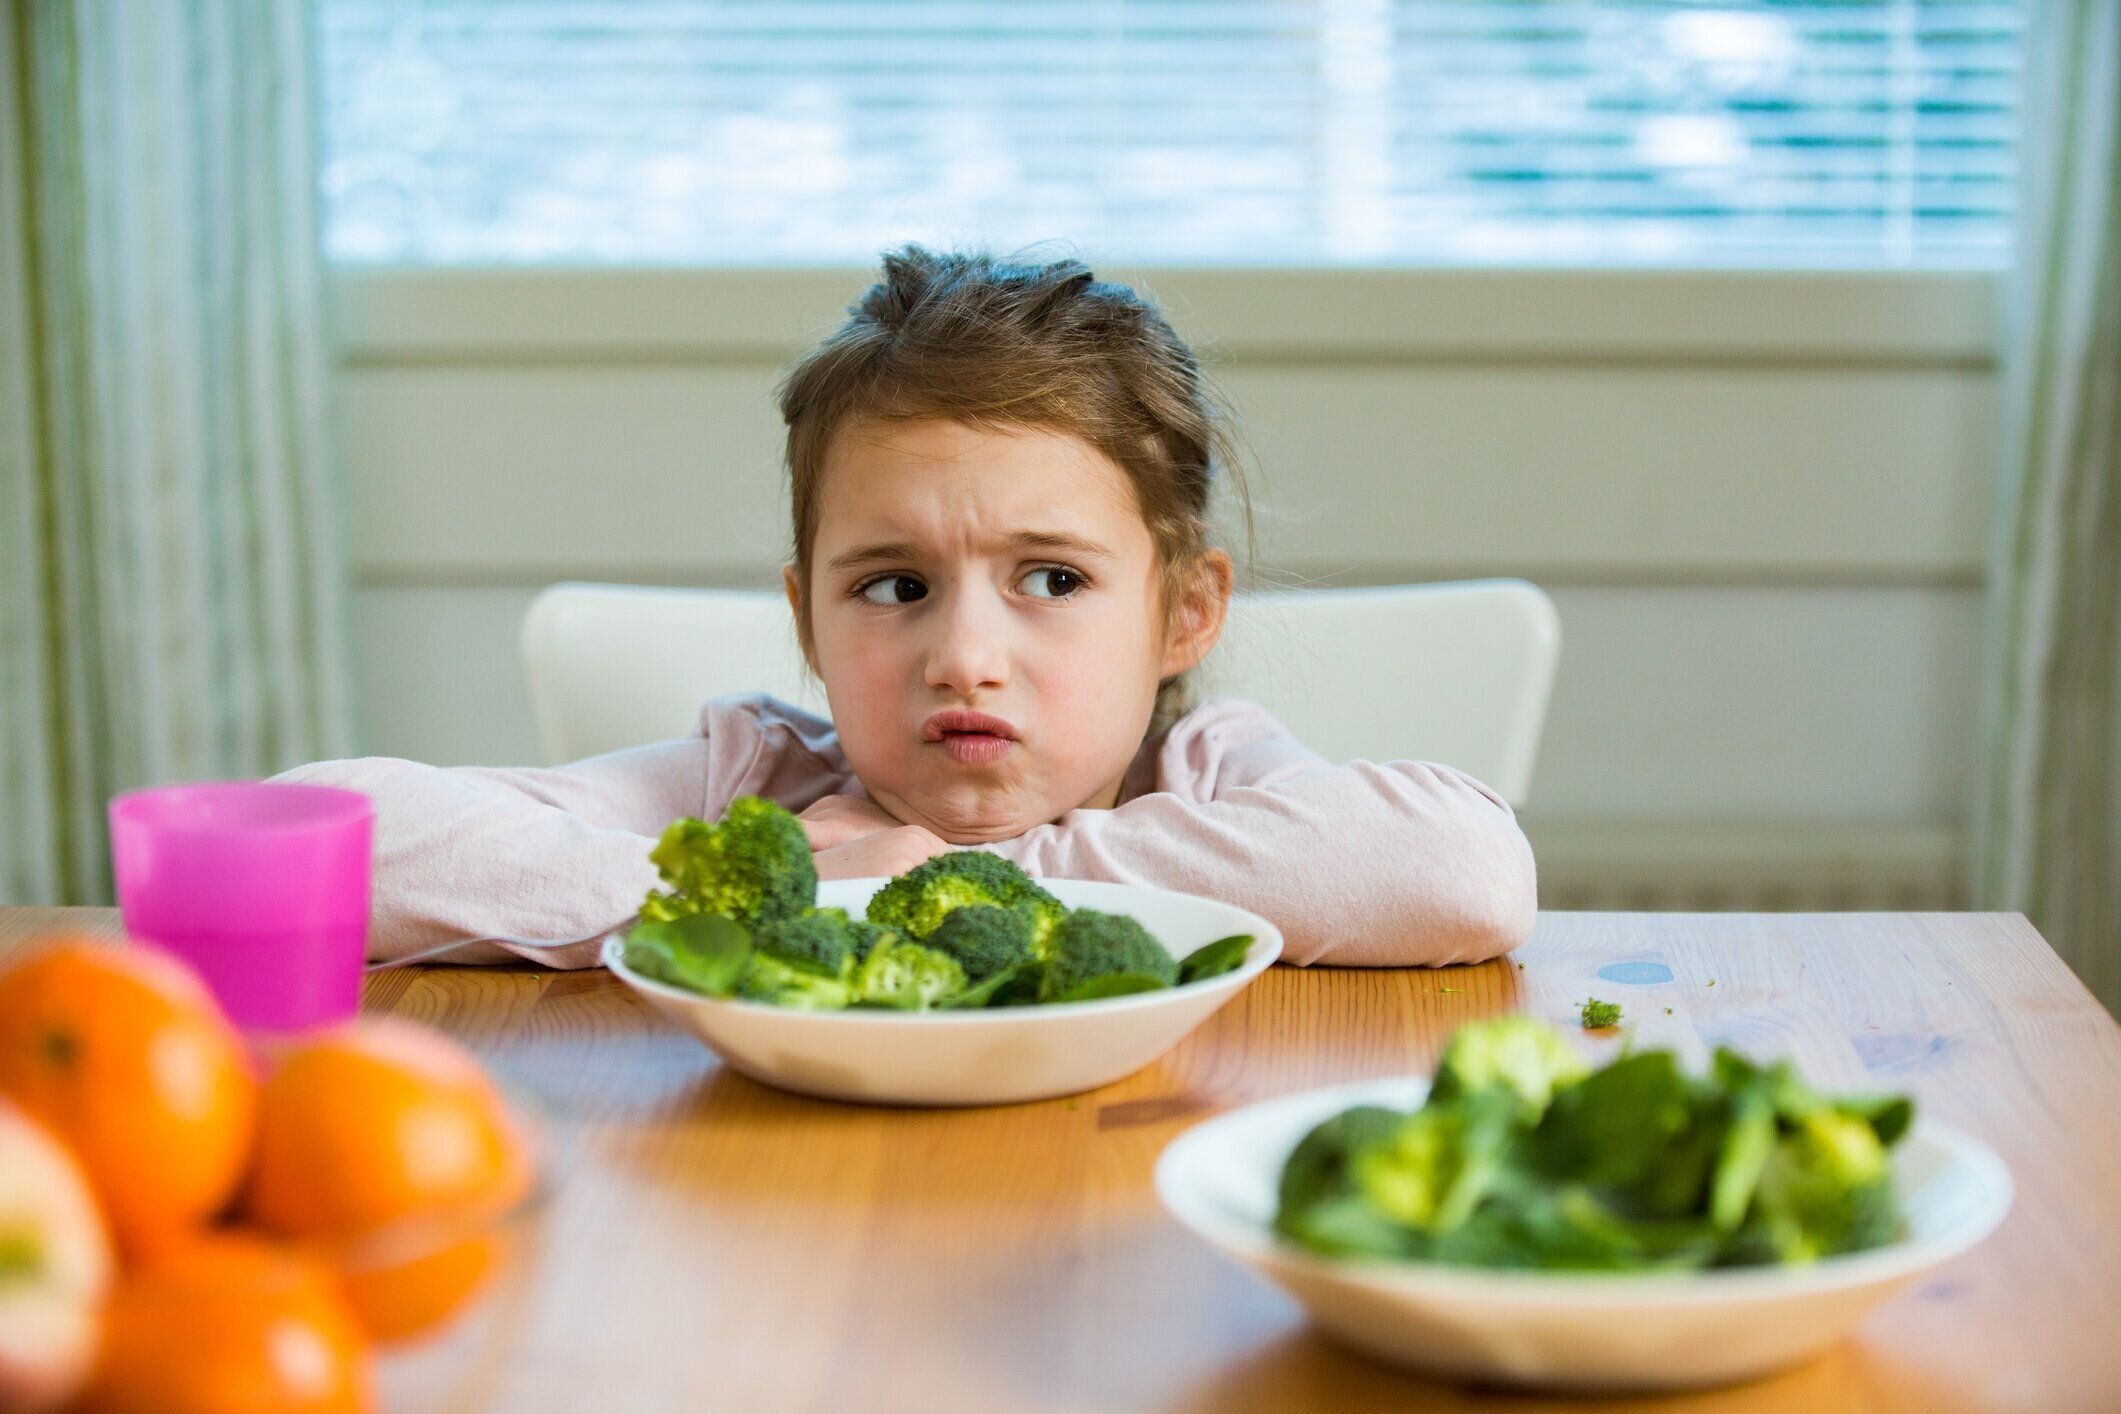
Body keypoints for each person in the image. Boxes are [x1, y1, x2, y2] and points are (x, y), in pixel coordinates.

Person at [275, 246, 1537, 968]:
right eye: (895, 586)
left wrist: (966, 882)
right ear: (809, 618)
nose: (966, 656)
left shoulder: (1207, 776)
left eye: (1052, 580)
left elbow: (1464, 868)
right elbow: (315, 846)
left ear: (1185, 614)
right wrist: (783, 894)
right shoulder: (759, 790)